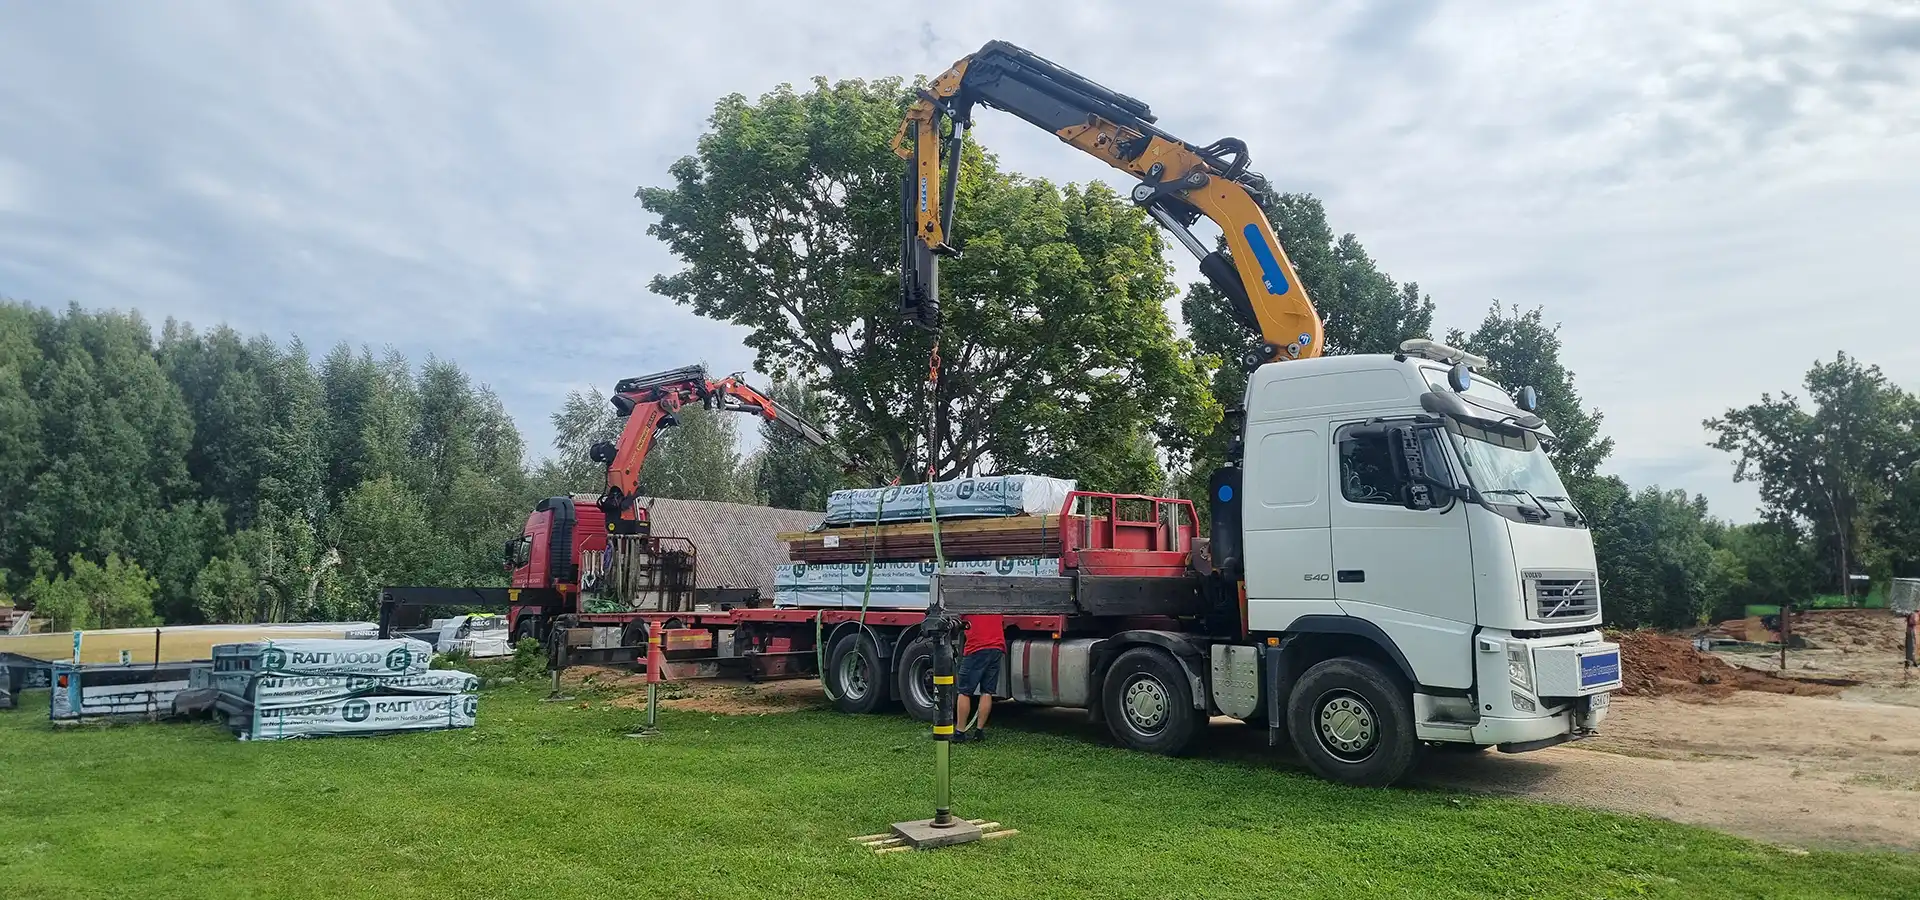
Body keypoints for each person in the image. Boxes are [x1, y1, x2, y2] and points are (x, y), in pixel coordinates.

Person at [953, 613, 1004, 743]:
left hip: (976, 648)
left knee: (964, 691)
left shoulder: (968, 601)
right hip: (996, 647)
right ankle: (979, 732)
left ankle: (959, 732)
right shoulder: (995, 600)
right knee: (987, 692)